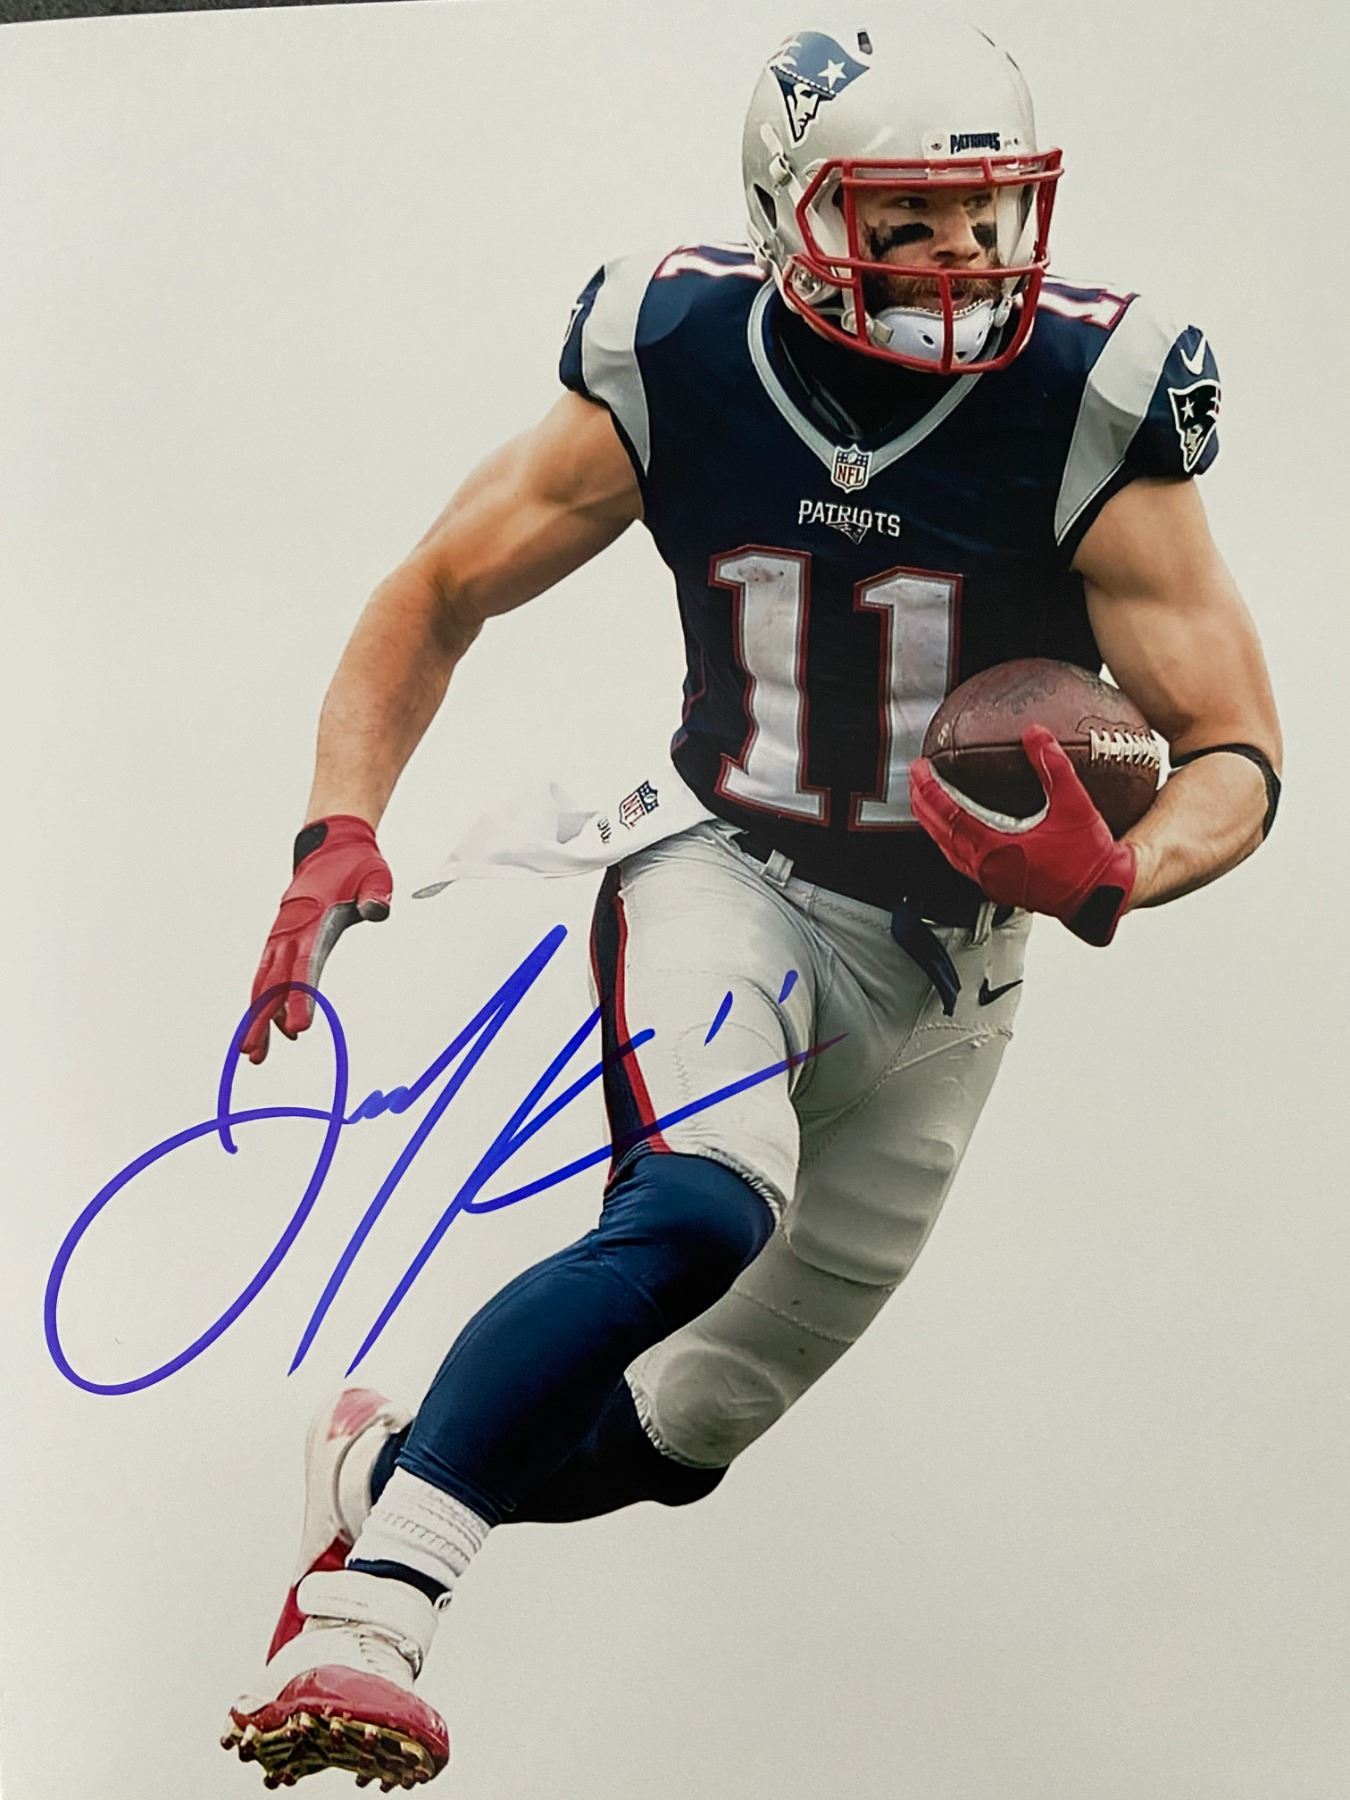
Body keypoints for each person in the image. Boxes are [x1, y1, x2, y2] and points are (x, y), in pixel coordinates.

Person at [221, 13, 1281, 1791]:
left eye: (986, 213)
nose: (960, 257)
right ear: (791, 208)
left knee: (684, 1431)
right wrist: (338, 827)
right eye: (908, 218)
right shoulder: (677, 348)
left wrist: (1122, 868)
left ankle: (386, 1475)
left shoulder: (1087, 393)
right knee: (701, 1208)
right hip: (732, 870)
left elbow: (1234, 747)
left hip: (956, 972)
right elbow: (439, 588)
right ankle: (369, 1621)